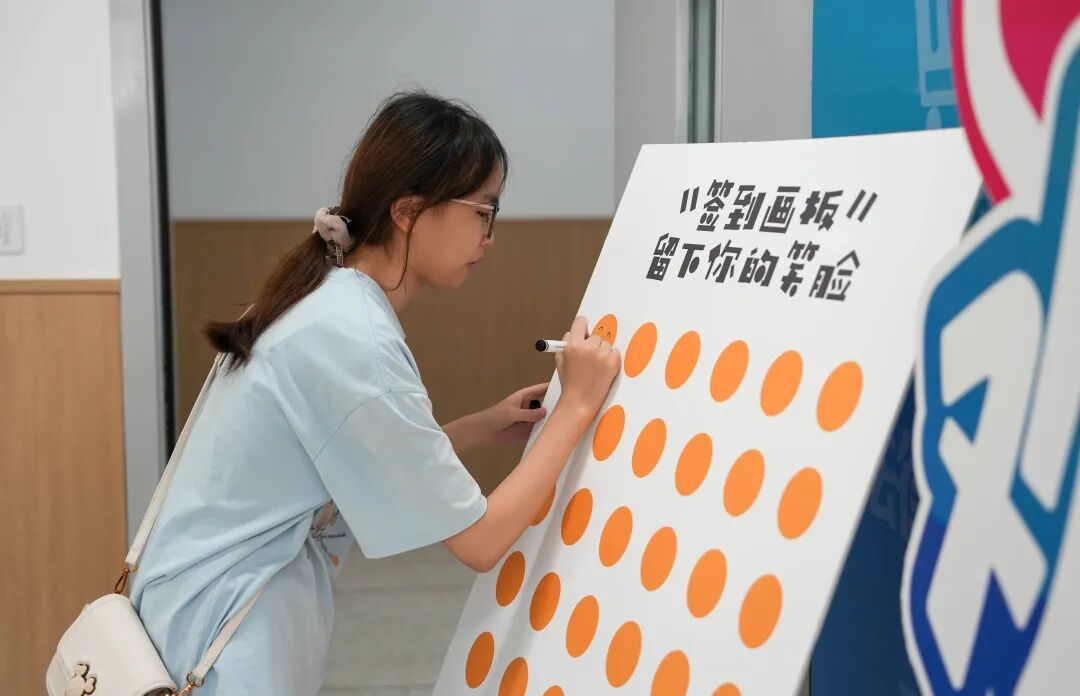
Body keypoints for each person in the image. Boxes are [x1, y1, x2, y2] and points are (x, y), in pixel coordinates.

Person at [128, 91, 620, 694]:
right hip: (219, 644)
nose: (489, 236)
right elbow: (481, 539)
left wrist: (482, 425)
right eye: (483, 211)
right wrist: (578, 405)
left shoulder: (325, 298)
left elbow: (359, 452)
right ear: (409, 211)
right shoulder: (352, 336)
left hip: (198, 610)